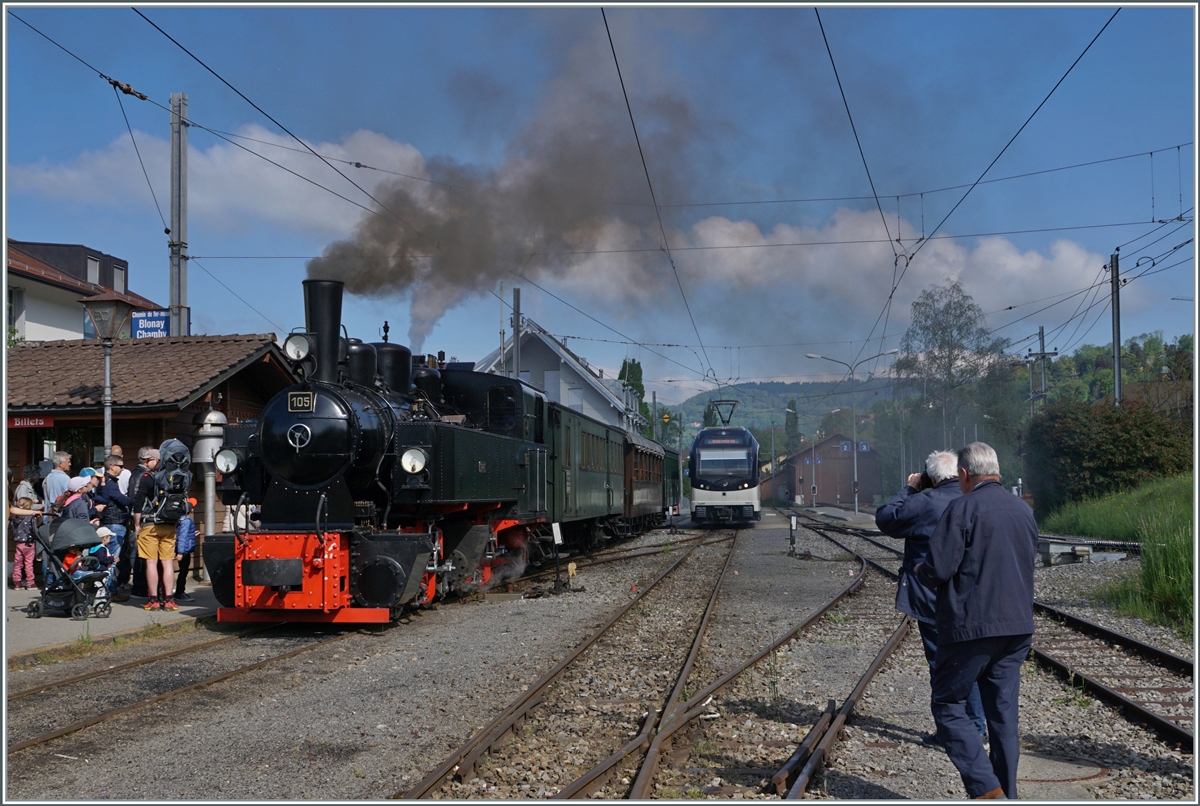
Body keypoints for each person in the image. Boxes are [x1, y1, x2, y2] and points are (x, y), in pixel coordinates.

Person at [915, 443, 1038, 800]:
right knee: (1002, 717)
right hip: (1017, 628)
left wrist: (920, 570)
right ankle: (1008, 795)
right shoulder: (1023, 510)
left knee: (948, 705)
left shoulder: (962, 507)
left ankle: (986, 788)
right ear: (995, 470)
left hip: (971, 627)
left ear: (965, 474)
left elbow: (939, 569)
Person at [875, 450, 987, 744]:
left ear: (932, 478)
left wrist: (910, 488)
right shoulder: (975, 499)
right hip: (974, 596)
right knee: (968, 661)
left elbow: (886, 518)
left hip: (933, 597)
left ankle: (951, 730)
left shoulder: (924, 502)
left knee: (941, 664)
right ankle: (976, 726)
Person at [131, 449, 177, 612]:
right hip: (169, 524)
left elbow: (138, 501)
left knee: (151, 563)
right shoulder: (172, 477)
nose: (145, 463)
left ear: (156, 461)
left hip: (150, 524)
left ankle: (154, 600)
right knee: (167, 563)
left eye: (148, 460)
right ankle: (169, 600)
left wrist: (137, 524)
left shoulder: (147, 478)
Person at [124, 447, 160, 597]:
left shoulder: (137, 474)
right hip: (142, 518)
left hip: (140, 517)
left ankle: (142, 586)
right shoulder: (142, 475)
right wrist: (137, 520)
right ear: (147, 460)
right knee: (142, 554)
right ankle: (140, 587)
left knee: (143, 554)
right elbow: (137, 498)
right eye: (156, 460)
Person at [92, 455, 132, 569]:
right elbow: (123, 500)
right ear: (112, 466)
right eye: (121, 466)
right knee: (112, 560)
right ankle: (108, 580)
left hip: (113, 523)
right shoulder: (108, 483)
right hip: (114, 523)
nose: (123, 469)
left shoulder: (107, 482)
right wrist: (134, 499)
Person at [10, 497, 41, 589]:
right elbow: (35, 530)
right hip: (29, 543)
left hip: (18, 542)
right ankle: (30, 582)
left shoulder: (14, 517)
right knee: (28, 563)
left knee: (18, 563)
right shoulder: (30, 518)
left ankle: (17, 582)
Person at [172, 499, 198, 603]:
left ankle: (178, 592)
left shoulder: (179, 519)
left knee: (183, 571)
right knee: (183, 571)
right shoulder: (186, 521)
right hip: (184, 550)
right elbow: (182, 537)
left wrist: (192, 534)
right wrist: (180, 552)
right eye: (192, 508)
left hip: (181, 548)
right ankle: (179, 592)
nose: (193, 509)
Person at [41, 450, 72, 515]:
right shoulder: (65, 478)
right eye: (68, 462)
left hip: (48, 515)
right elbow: (69, 499)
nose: (70, 464)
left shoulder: (46, 479)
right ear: (60, 464)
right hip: (60, 516)